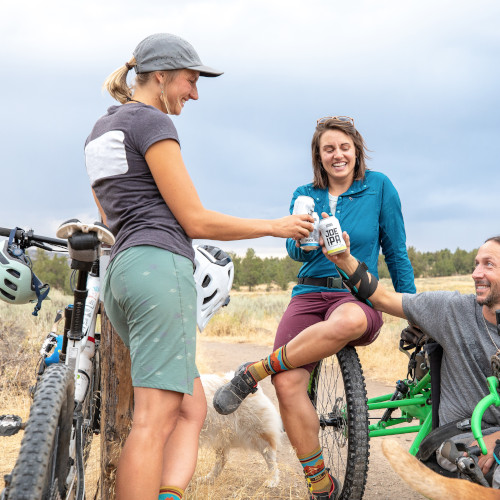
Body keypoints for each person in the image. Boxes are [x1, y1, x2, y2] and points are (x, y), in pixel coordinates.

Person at [84, 33, 313, 500]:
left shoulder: (100, 131)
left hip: (123, 275)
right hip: (159, 271)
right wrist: (276, 226)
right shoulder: (150, 122)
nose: (194, 92)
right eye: (190, 80)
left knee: (191, 408)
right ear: (162, 76)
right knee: (152, 420)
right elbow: (194, 218)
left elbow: (109, 216)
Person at [213, 116, 416, 499]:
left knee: (352, 319)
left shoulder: (380, 187)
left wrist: (415, 309)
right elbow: (292, 248)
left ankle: (255, 369)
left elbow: (396, 251)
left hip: (355, 292)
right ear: (318, 156)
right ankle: (319, 483)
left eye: (344, 147)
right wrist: (302, 241)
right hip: (308, 294)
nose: (337, 155)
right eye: (328, 149)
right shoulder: (304, 192)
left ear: (356, 150)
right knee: (288, 383)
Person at [323, 231, 500, 486]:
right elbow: (381, 298)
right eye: (476, 264)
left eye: (488, 264)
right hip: (462, 434)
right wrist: (343, 260)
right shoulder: (452, 311)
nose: (476, 273)